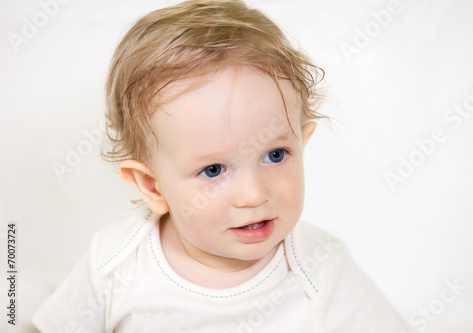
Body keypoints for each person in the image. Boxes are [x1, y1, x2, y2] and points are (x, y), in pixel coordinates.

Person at [33, 0, 416, 331]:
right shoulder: (114, 265)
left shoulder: (322, 270)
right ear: (152, 187)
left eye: (276, 155)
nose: (254, 194)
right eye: (214, 170)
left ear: (303, 143)